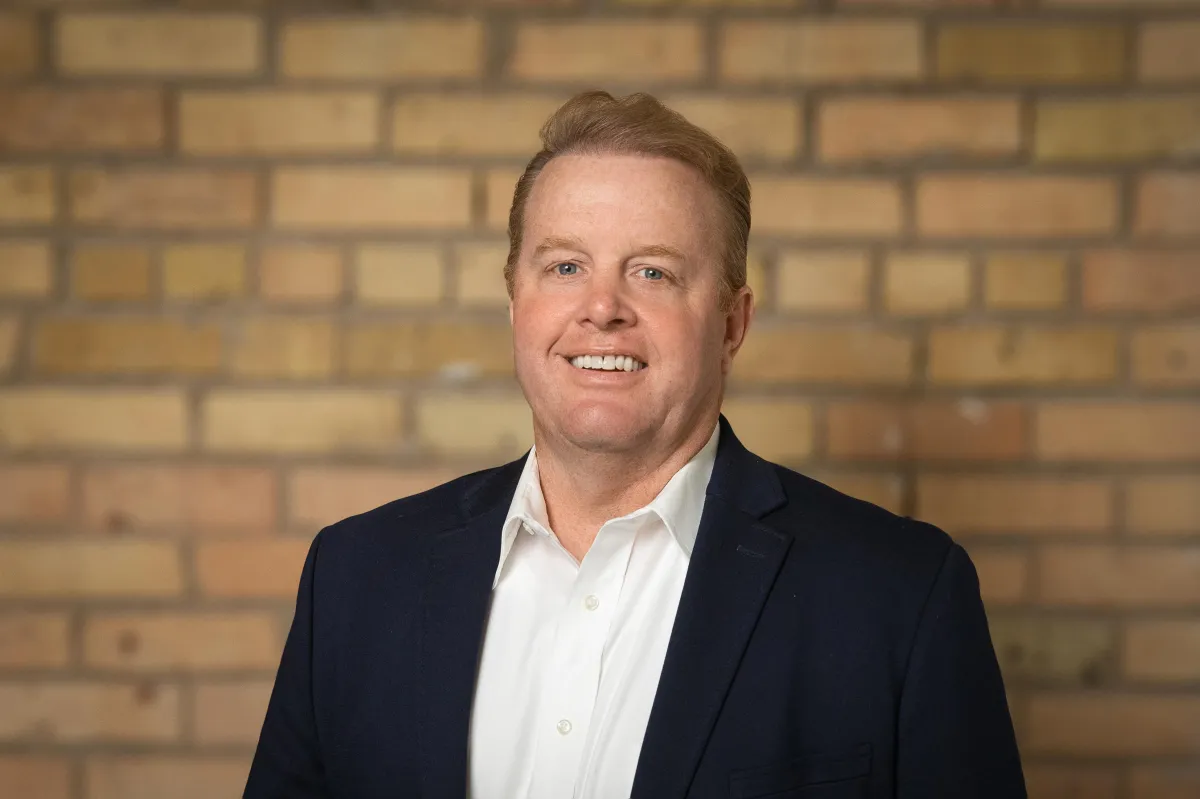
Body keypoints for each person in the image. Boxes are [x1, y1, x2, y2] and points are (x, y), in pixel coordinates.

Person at [244, 91, 1026, 799]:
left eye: (652, 272)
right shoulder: (355, 576)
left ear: (732, 323)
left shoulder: (900, 596)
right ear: (515, 304)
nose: (602, 308)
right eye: (565, 266)